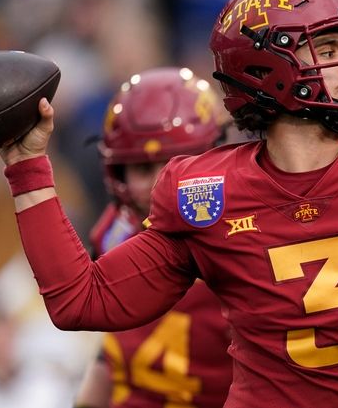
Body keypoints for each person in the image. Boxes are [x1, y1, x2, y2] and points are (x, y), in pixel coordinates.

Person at [0, 0, 338, 406]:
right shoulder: (203, 189)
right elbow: (84, 303)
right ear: (271, 67)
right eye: (330, 48)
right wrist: (27, 167)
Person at [72, 67, 233, 408]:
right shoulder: (114, 229)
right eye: (144, 169)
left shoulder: (243, 234)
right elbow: (114, 345)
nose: (164, 182)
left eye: (177, 162)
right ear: (118, 174)